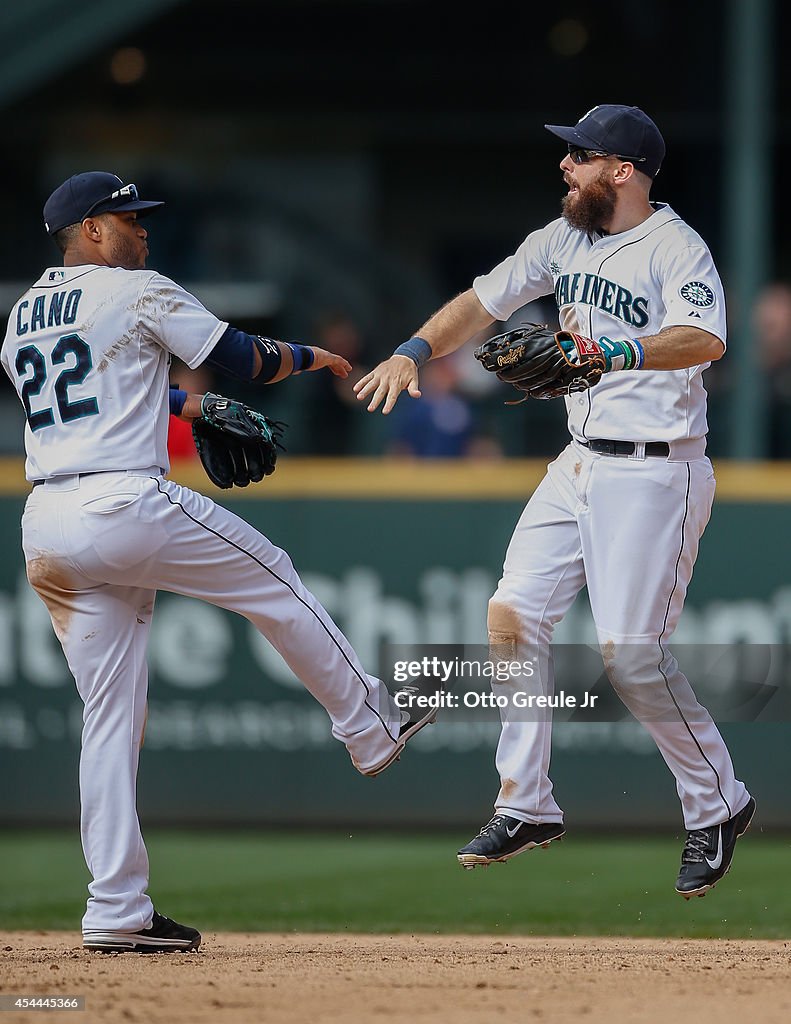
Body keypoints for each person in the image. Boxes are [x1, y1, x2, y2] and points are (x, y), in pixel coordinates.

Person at [1, 171, 436, 953]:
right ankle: (369, 723)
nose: (142, 229)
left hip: (47, 524)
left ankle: (116, 910)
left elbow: (96, 392)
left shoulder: (23, 316)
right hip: (122, 502)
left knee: (108, 720)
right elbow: (244, 356)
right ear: (91, 231)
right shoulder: (135, 291)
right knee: (273, 578)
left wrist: (186, 404)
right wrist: (308, 356)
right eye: (127, 218)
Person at [355, 105, 755, 898]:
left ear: (623, 170)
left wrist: (609, 347)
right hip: (578, 459)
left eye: (580, 155)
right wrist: (412, 348)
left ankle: (718, 804)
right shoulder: (560, 237)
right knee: (511, 614)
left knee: (632, 657)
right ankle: (525, 802)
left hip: (655, 470)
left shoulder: (675, 247)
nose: (564, 166)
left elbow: (704, 339)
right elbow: (481, 303)